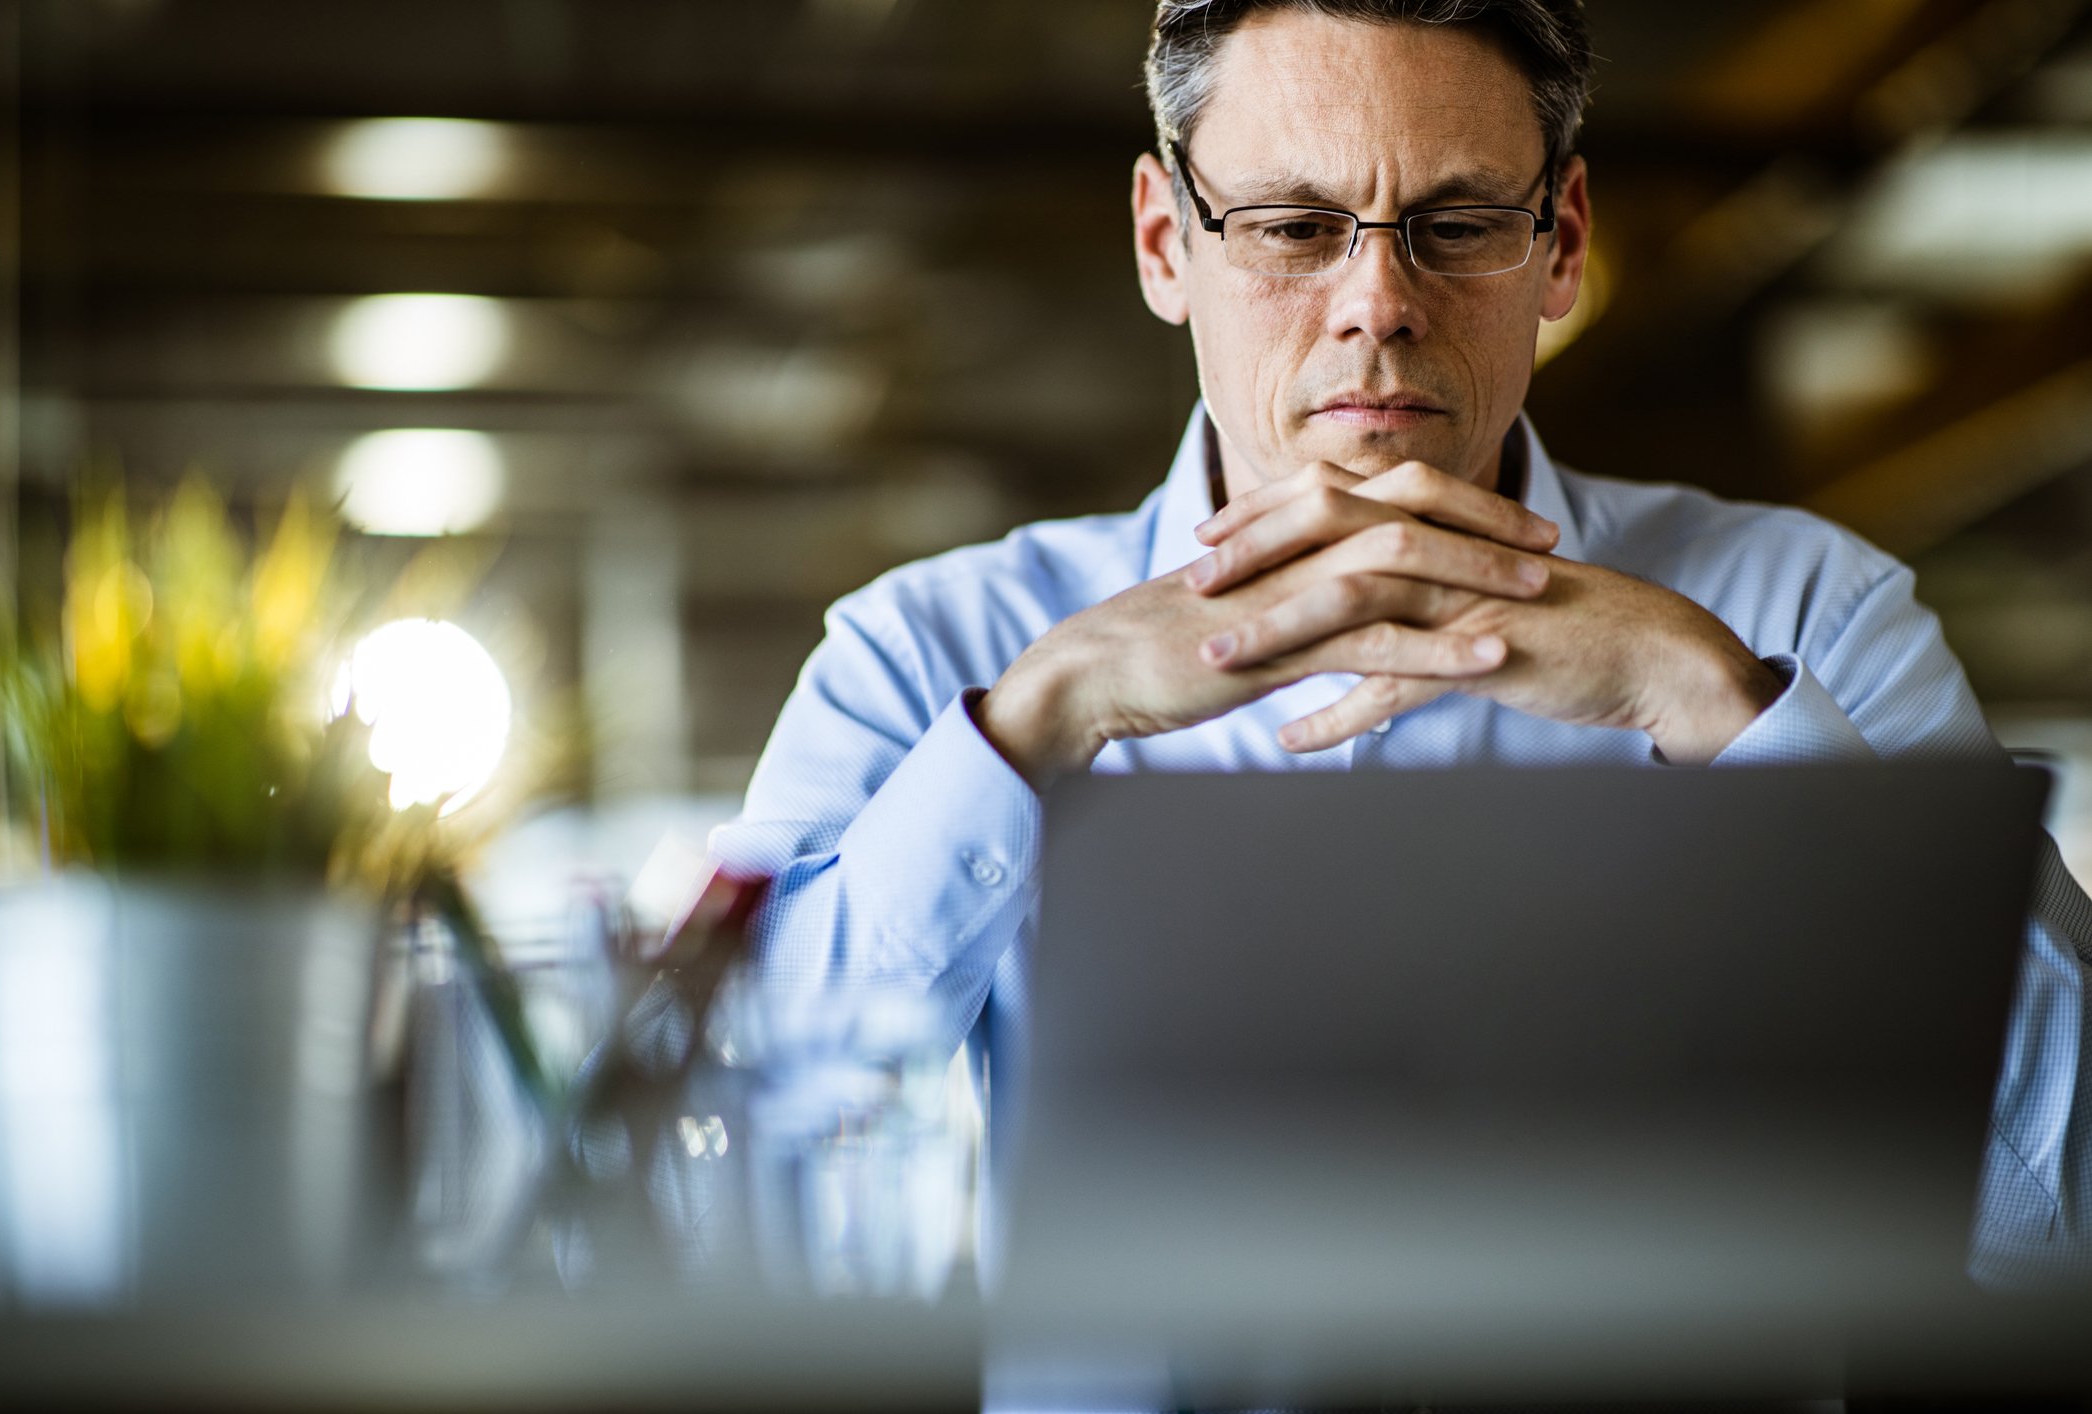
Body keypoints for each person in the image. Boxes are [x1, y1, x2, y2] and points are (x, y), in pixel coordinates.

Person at [711, 0, 2092, 1286]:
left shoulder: (1806, 618)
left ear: (1559, 245)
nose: (1377, 302)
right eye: (1293, 225)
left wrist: (1723, 709)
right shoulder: (928, 649)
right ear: (1160, 242)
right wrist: (1035, 724)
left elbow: (2056, 1214)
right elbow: (706, 1180)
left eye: (1457, 219)